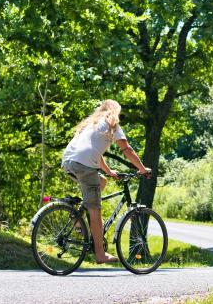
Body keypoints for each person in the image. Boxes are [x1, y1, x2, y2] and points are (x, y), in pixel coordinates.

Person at [61, 99, 151, 264]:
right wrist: (142, 168)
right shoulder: (112, 124)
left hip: (69, 162)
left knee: (101, 181)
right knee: (96, 212)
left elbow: (96, 153)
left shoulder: (91, 124)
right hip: (84, 165)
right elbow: (127, 149)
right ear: (115, 111)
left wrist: (109, 172)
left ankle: (78, 214)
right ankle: (100, 254)